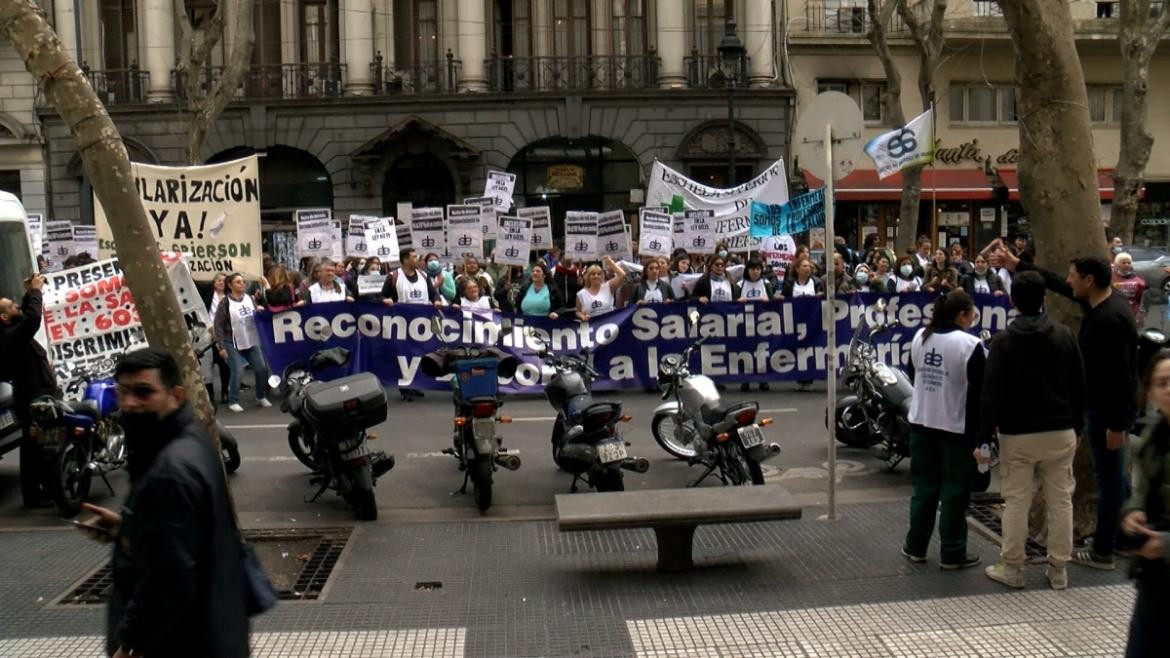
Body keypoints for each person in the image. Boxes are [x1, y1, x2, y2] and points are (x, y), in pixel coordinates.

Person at [75, 349, 249, 658]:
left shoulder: (169, 468)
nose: (129, 402)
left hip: (182, 642)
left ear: (176, 395)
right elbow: (184, 535)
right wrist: (127, 528)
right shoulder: (186, 437)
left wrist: (129, 646)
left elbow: (169, 578)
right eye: (123, 391)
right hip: (212, 627)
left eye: (144, 392)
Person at [994, 243, 1138, 570]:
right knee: (1115, 479)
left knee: (1110, 480)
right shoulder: (1102, 303)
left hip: (1106, 412)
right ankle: (1121, 532)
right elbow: (1057, 283)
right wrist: (1019, 264)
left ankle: (1105, 549)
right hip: (1100, 409)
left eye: (1075, 276)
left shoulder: (1110, 319)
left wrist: (1116, 425)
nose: (1068, 281)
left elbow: (1122, 376)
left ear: (1089, 280)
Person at [981, 271, 1085, 591]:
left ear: (1012, 300)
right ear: (1044, 299)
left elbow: (991, 392)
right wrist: (1077, 427)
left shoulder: (1003, 341)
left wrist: (983, 436)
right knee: (1061, 500)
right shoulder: (1065, 335)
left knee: (1016, 501)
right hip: (1060, 430)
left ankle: (1013, 567)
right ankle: (1058, 569)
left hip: (1017, 434)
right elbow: (1079, 386)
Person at [903, 290, 986, 570]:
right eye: (972, 313)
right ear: (963, 314)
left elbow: (913, 374)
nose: (974, 317)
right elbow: (980, 393)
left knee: (923, 490)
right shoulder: (969, 345)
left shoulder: (920, 337)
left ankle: (915, 546)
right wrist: (983, 435)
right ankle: (952, 552)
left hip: (921, 424)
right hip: (954, 428)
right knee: (954, 493)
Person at [1119, 350, 1170, 657]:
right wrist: (1131, 513)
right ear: (1150, 391)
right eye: (1161, 383)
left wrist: (1165, 543)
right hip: (1155, 576)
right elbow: (1142, 489)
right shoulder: (1154, 432)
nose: (1169, 389)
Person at [0, 273, 60, 507]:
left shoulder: (10, 329)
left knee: (37, 444)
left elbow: (23, 316)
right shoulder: (7, 337)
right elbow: (32, 320)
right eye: (11, 305)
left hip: (38, 393)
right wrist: (36, 292)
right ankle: (34, 496)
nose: (17, 305)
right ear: (4, 317)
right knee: (35, 446)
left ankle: (41, 491)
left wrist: (28, 294)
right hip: (32, 397)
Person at [381, 248, 444, 401]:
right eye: (414, 257)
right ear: (405, 260)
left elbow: (433, 293)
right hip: (402, 323)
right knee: (404, 355)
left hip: (420, 323)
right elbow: (383, 294)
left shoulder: (424, 275)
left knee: (419, 354)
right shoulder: (394, 277)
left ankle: (415, 383)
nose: (418, 259)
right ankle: (405, 388)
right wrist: (385, 300)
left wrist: (437, 300)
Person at [213, 272, 271, 412]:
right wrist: (221, 346)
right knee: (238, 370)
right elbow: (218, 325)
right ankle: (233, 400)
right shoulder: (225, 303)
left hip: (250, 339)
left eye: (243, 281)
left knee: (261, 368)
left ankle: (260, 395)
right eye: (238, 282)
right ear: (230, 285)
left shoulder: (249, 299)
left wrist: (258, 309)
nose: (242, 284)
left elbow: (255, 311)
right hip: (230, 341)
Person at [783, 256, 825, 392]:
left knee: (810, 350)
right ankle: (799, 378)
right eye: (804, 266)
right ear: (797, 269)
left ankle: (809, 379)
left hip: (811, 322)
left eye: (809, 266)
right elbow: (785, 298)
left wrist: (820, 296)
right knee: (797, 350)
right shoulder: (790, 283)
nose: (808, 269)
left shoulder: (816, 282)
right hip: (795, 321)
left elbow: (823, 298)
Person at [205, 273, 231, 404]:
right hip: (208, 334)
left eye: (224, 281)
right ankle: (209, 394)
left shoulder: (229, 297)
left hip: (223, 335)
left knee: (224, 365)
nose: (221, 283)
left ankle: (225, 392)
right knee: (207, 365)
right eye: (219, 280)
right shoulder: (208, 295)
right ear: (214, 282)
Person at [576, 256, 627, 320]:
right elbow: (578, 311)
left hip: (609, 325)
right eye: (593, 274)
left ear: (602, 276)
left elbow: (622, 275)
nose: (596, 276)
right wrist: (582, 317)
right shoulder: (581, 294)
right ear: (588, 276)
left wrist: (610, 263)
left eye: (599, 274)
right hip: (592, 326)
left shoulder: (608, 287)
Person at [1113, 252, 1148, 323]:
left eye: (1129, 263)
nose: (1126, 265)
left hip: (1131, 311)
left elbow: (1140, 297)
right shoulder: (1111, 277)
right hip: (1114, 311)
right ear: (1116, 264)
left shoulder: (1138, 278)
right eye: (1123, 263)